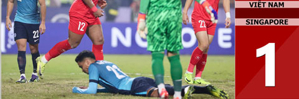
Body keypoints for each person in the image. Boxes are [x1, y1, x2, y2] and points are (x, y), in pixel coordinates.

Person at [72, 50, 228, 99]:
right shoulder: (105, 62)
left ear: (86, 62)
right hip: (138, 80)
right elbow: (113, 87)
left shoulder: (92, 67)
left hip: (133, 86)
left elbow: (90, 91)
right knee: (168, 88)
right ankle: (205, 89)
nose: (83, 70)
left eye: (81, 67)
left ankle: (186, 91)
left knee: (157, 94)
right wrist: (99, 90)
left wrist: (76, 89)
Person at [183, 0, 231, 85]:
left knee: (206, 48)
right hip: (199, 15)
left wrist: (228, 15)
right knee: (203, 44)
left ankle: (198, 77)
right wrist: (185, 11)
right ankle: (188, 72)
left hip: (212, 18)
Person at [6, 0, 46, 83]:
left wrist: (43, 22)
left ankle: (34, 73)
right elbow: (11, 1)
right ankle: (22, 75)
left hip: (33, 21)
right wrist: (7, 17)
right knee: (21, 47)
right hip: (19, 20)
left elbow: (42, 4)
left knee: (34, 48)